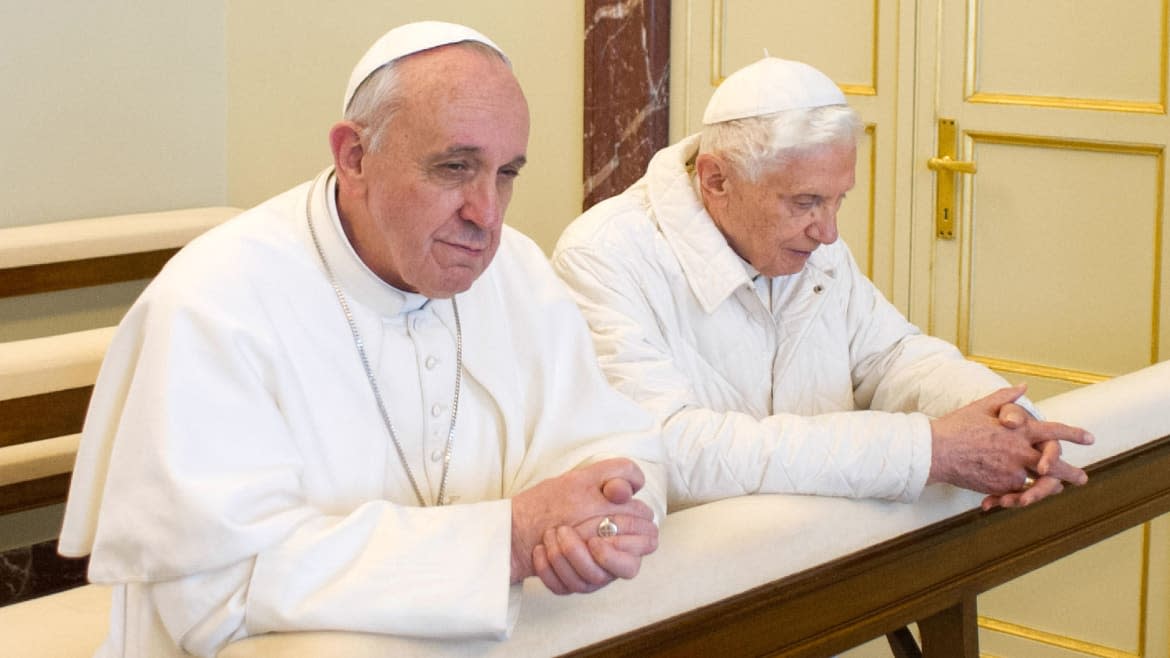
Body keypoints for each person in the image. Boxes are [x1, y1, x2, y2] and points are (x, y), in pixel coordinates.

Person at [58, 21, 666, 658]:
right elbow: (217, 590)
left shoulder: (516, 270)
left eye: (505, 173)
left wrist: (599, 517)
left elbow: (615, 440)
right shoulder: (214, 301)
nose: (487, 214)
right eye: (455, 167)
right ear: (354, 157)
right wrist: (507, 540)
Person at [552, 56, 1092, 513]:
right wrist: (926, 451)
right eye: (806, 202)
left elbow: (893, 358)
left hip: (809, 552)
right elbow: (670, 449)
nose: (829, 232)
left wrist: (1008, 421)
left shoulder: (813, 243)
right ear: (716, 179)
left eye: (838, 201)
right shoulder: (603, 256)